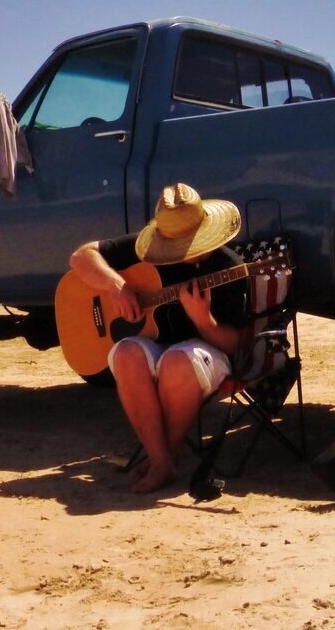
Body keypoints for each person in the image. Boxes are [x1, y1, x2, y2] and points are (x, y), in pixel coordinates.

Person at [68, 183, 248, 494]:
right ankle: (161, 461)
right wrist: (116, 285)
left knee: (175, 361)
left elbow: (235, 344)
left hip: (205, 352)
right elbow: (81, 257)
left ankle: (165, 460)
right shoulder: (146, 250)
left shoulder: (228, 267)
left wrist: (203, 320)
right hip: (158, 344)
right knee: (126, 354)